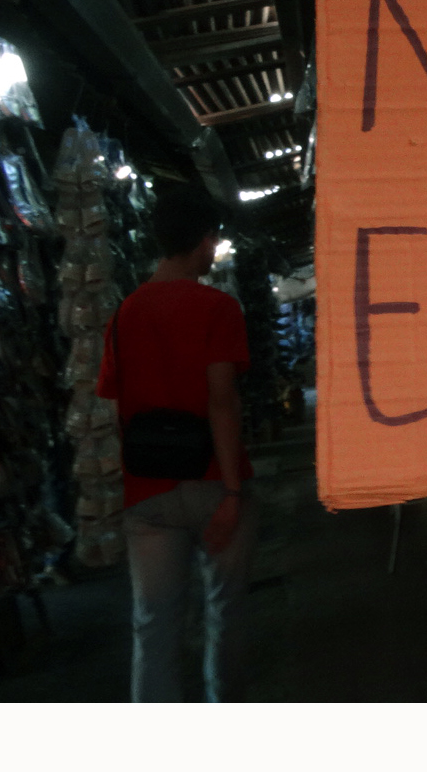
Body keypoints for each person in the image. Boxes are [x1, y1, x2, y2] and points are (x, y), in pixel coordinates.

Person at [97, 188, 256, 702]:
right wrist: (232, 493)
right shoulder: (217, 308)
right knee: (224, 612)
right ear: (205, 240)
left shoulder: (124, 314)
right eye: (214, 240)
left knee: (154, 625)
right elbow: (222, 402)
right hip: (212, 480)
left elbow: (116, 408)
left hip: (148, 491)